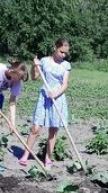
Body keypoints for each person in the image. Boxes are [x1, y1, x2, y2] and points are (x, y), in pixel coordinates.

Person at [19, 39, 71, 167]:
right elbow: (34, 77)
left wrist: (56, 93)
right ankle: (25, 155)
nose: (63, 55)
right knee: (36, 127)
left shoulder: (66, 65)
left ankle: (48, 158)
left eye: (65, 53)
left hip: (57, 98)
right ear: (55, 47)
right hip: (44, 97)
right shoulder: (45, 61)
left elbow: (65, 85)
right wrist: (34, 65)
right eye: (61, 52)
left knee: (53, 130)